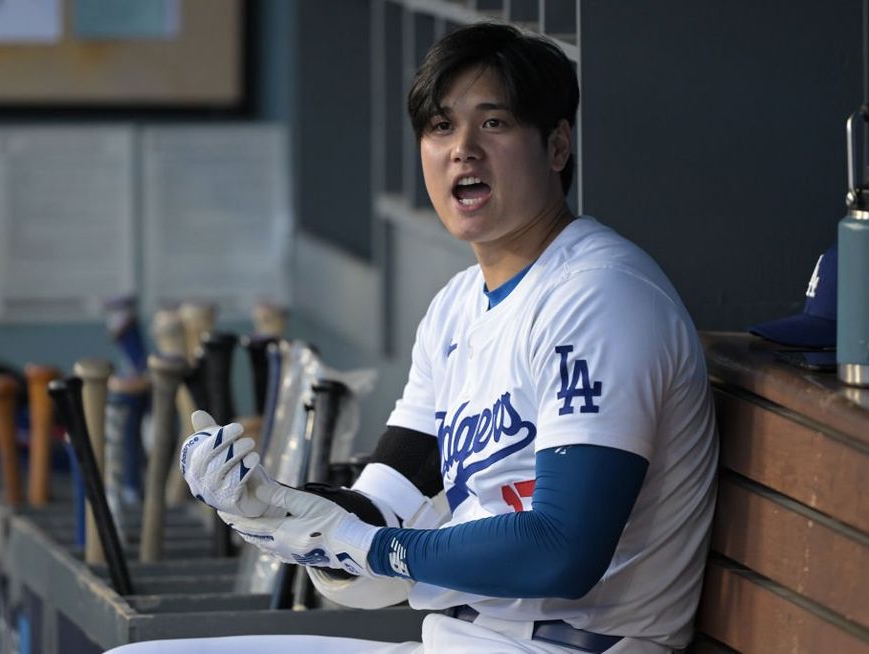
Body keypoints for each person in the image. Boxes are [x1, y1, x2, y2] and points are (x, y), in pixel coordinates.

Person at [109, 21, 718, 654]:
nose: (463, 150)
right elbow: (381, 508)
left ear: (558, 145)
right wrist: (273, 508)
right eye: (440, 127)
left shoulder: (599, 296)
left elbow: (562, 549)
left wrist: (370, 547)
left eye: (494, 123)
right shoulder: (456, 309)